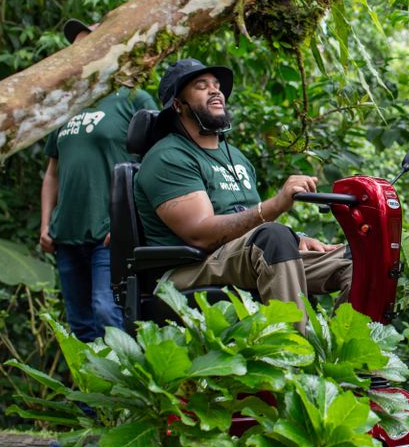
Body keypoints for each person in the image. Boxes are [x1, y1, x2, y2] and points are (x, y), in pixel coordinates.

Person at [133, 58, 352, 315]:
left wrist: (296, 239)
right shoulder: (168, 157)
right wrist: (275, 207)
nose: (215, 90)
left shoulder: (236, 157)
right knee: (272, 238)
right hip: (187, 270)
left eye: (217, 85)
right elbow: (200, 235)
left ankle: (337, 346)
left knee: (356, 259)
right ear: (178, 105)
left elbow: (253, 224)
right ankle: (294, 352)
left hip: (243, 257)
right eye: (201, 86)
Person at [40, 18, 158, 342]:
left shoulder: (133, 99)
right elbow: (52, 172)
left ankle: (123, 391)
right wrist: (45, 223)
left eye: (88, 44)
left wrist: (130, 221)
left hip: (110, 233)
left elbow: (154, 162)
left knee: (107, 311)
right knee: (80, 325)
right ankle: (92, 392)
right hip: (67, 234)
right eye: (75, 47)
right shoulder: (65, 108)